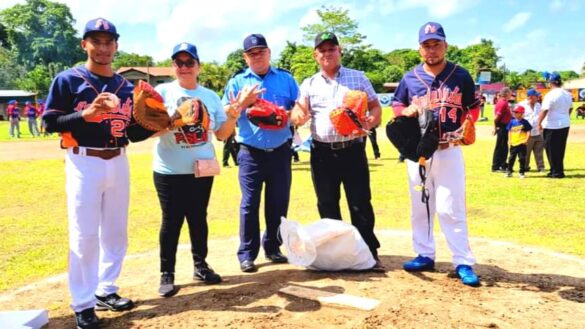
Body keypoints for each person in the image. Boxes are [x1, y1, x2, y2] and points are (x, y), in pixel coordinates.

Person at [42, 18, 135, 329]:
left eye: (109, 42)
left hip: (118, 159)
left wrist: (165, 122)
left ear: (116, 46)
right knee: (84, 234)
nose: (104, 47)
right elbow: (50, 123)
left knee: (115, 231)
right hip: (84, 161)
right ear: (85, 44)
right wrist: (85, 114)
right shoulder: (68, 80)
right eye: (97, 41)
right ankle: (83, 304)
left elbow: (133, 132)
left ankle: (106, 290)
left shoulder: (126, 86)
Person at [391, 22, 480, 286]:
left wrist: (468, 124)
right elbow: (397, 103)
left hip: (449, 148)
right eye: (426, 45)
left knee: (450, 207)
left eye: (436, 44)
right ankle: (424, 254)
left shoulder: (460, 75)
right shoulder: (410, 77)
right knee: (420, 207)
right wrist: (403, 112)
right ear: (419, 49)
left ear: (445, 45)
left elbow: (472, 107)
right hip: (418, 151)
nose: (431, 49)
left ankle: (463, 261)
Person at [153, 42, 240, 297]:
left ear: (198, 66)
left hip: (201, 169)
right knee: (171, 221)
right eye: (179, 63)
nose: (184, 67)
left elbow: (223, 135)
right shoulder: (162, 92)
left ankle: (200, 266)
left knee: (198, 218)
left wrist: (233, 115)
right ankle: (166, 272)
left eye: (189, 62)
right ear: (173, 67)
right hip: (169, 170)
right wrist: (175, 121)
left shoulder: (210, 97)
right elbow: (150, 131)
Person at [290, 31, 383, 270]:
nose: (327, 53)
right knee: (327, 203)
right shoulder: (308, 84)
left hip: (352, 149)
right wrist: (298, 116)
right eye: (322, 50)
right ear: (315, 55)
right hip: (322, 152)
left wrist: (370, 121)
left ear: (340, 51)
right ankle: (335, 256)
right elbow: (298, 111)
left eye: (332, 48)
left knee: (360, 202)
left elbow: (374, 106)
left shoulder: (358, 77)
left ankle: (368, 254)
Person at [222, 34, 299, 273]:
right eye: (252, 53)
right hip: (250, 152)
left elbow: (298, 106)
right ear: (245, 57)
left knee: (278, 202)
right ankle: (247, 254)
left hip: (280, 150)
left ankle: (273, 247)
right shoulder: (237, 82)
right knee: (249, 204)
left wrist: (290, 113)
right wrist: (244, 102)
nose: (257, 56)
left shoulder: (285, 79)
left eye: (261, 51)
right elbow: (225, 113)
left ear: (269, 53)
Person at [537, 72, 572, 179]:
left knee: (551, 149)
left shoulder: (550, 94)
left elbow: (545, 110)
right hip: (564, 124)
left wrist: (539, 123)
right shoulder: (567, 94)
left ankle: (556, 172)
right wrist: (565, 116)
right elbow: (570, 108)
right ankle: (557, 170)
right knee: (560, 148)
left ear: (550, 82)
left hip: (552, 125)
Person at [518, 89, 545, 172]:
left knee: (539, 152)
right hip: (526, 133)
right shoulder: (521, 105)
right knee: (526, 152)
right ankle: (525, 167)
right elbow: (517, 118)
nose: (538, 97)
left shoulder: (539, 105)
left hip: (538, 132)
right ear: (530, 97)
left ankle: (541, 168)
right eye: (536, 96)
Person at [505, 105, 532, 178]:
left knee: (522, 158)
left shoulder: (525, 122)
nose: (515, 113)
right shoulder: (512, 121)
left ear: (522, 113)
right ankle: (509, 171)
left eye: (517, 112)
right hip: (513, 143)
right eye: (514, 112)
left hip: (522, 143)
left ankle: (522, 172)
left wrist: (526, 139)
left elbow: (529, 131)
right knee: (511, 158)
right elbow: (509, 131)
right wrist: (509, 140)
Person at [491, 88, 512, 172]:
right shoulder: (502, 103)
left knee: (504, 146)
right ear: (506, 93)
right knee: (500, 146)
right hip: (502, 126)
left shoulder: (504, 102)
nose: (511, 94)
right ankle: (496, 166)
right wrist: (495, 128)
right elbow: (496, 118)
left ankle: (503, 164)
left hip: (505, 126)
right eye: (510, 93)